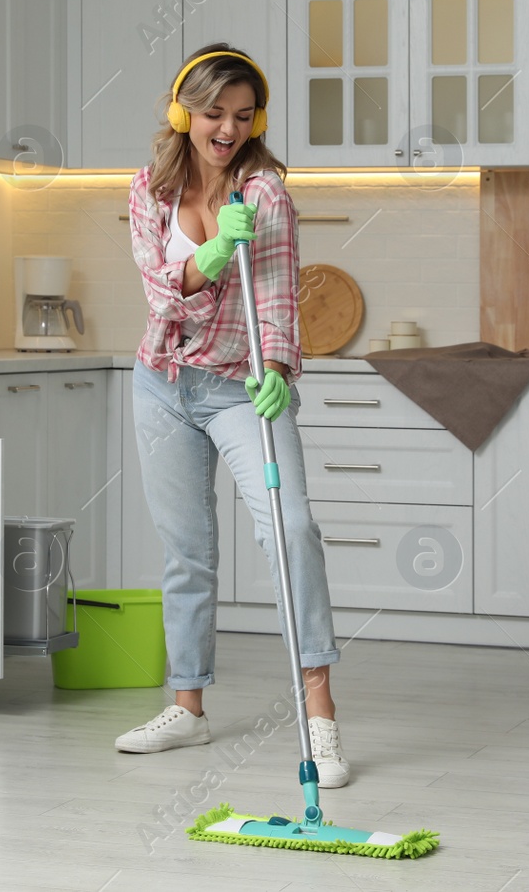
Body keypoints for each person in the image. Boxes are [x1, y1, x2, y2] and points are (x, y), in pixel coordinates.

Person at [116, 44, 350, 788]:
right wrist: (216, 251)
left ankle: (320, 718)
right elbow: (159, 292)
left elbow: (279, 298)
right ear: (183, 112)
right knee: (186, 549)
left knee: (291, 529)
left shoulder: (266, 194)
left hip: (242, 387)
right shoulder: (148, 191)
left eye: (244, 116)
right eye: (214, 112)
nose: (228, 128)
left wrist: (278, 370)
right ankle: (188, 707)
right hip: (162, 383)